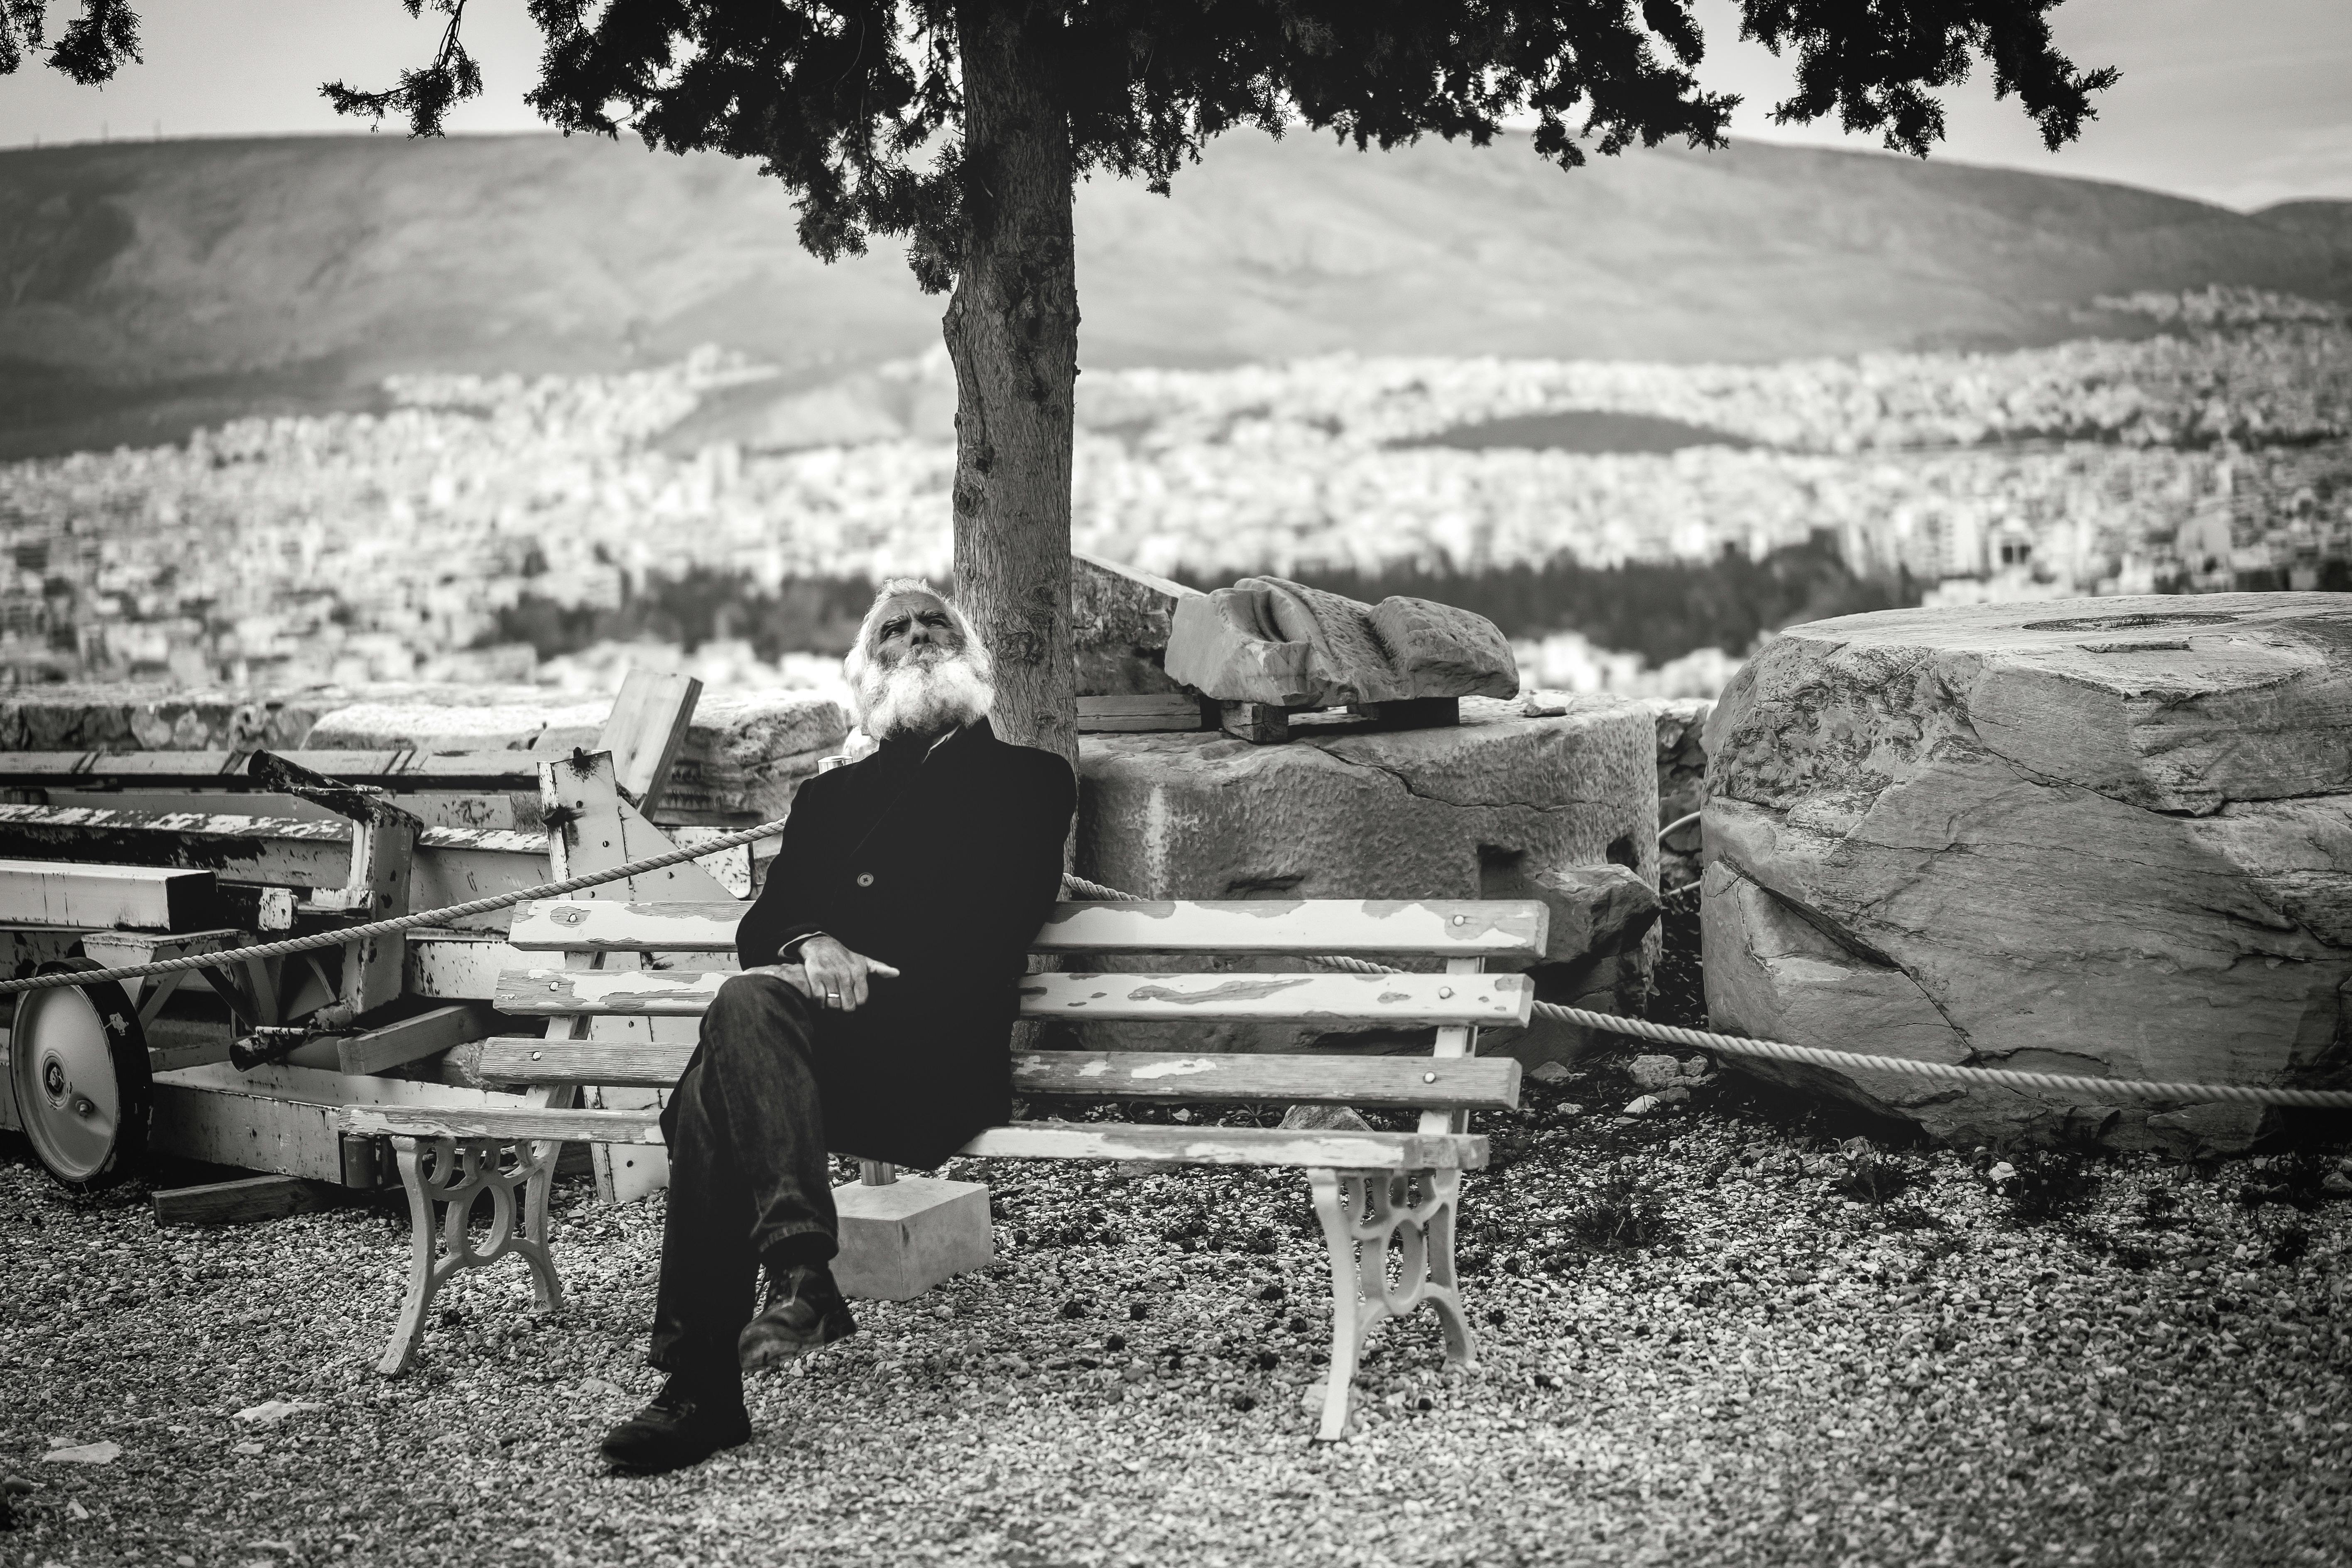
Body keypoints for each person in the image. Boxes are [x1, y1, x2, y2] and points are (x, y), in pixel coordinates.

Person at [598, 579, 1076, 1473]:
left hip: (933, 1053)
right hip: (823, 1069)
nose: (918, 636)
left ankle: (704, 1384)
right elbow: (759, 930)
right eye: (893, 630)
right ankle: (798, 1276)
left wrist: (854, 944)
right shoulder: (828, 801)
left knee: (715, 1085)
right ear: (868, 672)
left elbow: (1001, 915)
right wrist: (813, 939)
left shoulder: (1030, 779)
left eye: (938, 624)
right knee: (742, 1017)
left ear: (972, 661)